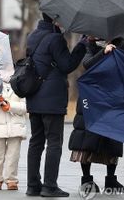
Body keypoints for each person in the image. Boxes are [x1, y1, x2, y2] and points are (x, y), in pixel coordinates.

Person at [25, 13, 87, 197]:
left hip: (34, 95)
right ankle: (49, 186)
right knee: (54, 142)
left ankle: (33, 185)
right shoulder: (55, 39)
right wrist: (82, 46)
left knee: (36, 141)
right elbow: (67, 65)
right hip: (52, 98)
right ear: (56, 19)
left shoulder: (33, 35)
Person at [69, 36, 124, 193]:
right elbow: (87, 64)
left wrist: (114, 49)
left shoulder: (119, 43)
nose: (94, 35)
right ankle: (87, 180)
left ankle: (111, 179)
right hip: (91, 97)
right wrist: (104, 52)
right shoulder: (88, 45)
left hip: (112, 96)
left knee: (112, 138)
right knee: (86, 140)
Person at [0, 78, 27, 191]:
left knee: (13, 156)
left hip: (16, 126)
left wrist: (10, 106)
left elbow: (25, 106)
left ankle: (11, 179)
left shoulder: (19, 85)